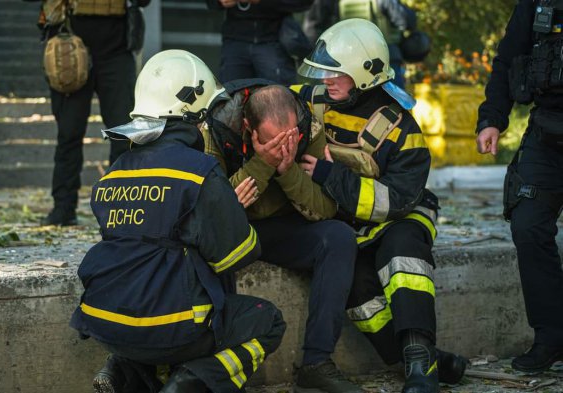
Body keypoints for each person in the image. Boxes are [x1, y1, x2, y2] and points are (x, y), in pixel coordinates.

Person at [69, 50, 286, 393]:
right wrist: (232, 211)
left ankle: (122, 371)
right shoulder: (200, 172)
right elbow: (238, 254)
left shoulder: (113, 174)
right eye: (206, 116)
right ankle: (192, 381)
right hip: (168, 327)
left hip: (105, 321)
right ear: (192, 113)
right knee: (269, 321)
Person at [293, 19, 467, 392]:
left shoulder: (403, 130)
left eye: (335, 73)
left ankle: (421, 366)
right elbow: (268, 100)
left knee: (401, 257)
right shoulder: (313, 100)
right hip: (348, 221)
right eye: (324, 72)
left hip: (399, 215)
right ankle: (423, 361)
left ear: (364, 73)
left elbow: (395, 201)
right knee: (354, 284)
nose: (326, 80)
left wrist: (328, 174)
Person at [204, 82, 363, 392]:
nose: (285, 148)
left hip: (282, 227)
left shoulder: (308, 125)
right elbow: (210, 211)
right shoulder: (217, 129)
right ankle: (216, 371)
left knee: (339, 237)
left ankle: (317, 363)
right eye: (272, 142)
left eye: (291, 140)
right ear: (248, 128)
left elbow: (324, 208)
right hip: (234, 229)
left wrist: (288, 171)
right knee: (210, 249)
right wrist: (261, 164)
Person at [476, 0, 563, 373]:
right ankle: (552, 338)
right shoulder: (539, 3)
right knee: (527, 226)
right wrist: (492, 118)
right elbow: (509, 58)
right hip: (548, 132)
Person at [24, 0, 150, 226]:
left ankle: (121, 209)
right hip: (69, 44)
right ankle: (63, 208)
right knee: (68, 133)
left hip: (117, 48)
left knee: (124, 134)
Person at [206, 0, 314, 85]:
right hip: (235, 40)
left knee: (279, 98)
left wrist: (262, 1)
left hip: (273, 39)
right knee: (231, 98)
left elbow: (304, 3)